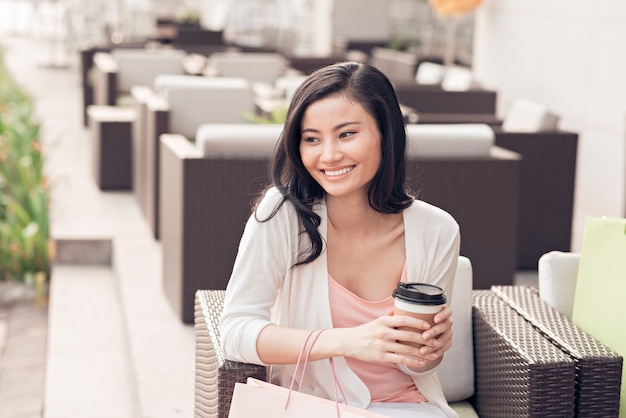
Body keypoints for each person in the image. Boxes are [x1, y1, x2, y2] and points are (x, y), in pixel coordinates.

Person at [220, 61, 461, 418]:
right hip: (312, 406)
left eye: (347, 134)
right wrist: (350, 341)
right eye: (312, 139)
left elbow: (417, 368)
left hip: (407, 408)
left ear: (386, 133)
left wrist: (429, 352)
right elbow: (236, 332)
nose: (329, 155)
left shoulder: (438, 230)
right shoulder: (283, 215)